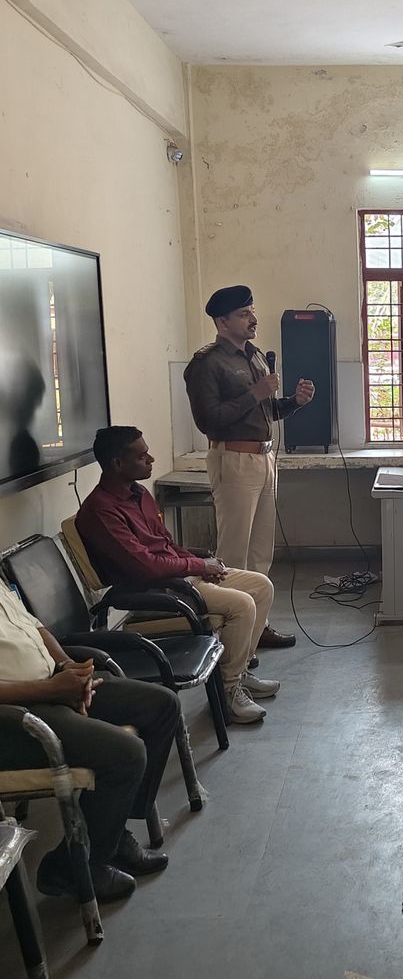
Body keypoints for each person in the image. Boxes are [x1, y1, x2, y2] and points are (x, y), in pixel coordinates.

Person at [76, 427, 279, 725]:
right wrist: (197, 568)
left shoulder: (139, 493)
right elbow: (144, 566)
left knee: (261, 586)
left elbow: (165, 545)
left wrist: (200, 560)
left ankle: (238, 672)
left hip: (177, 577)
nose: (151, 458)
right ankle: (227, 690)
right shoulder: (100, 511)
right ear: (118, 463)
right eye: (142, 455)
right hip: (154, 590)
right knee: (242, 604)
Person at [0, 579, 180, 901]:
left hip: (51, 684)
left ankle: (112, 833)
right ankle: (75, 869)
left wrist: (69, 669)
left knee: (162, 706)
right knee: (126, 753)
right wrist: (52, 690)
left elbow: (36, 629)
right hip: (14, 717)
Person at [184, 285, 315, 651]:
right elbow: (209, 421)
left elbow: (267, 411)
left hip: (264, 458)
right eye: (244, 314)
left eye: (252, 311)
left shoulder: (254, 355)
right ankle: (230, 635)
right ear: (222, 321)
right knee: (234, 554)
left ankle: (256, 627)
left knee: (261, 553)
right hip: (234, 460)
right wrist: (255, 394)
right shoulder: (207, 364)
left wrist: (294, 403)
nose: (253, 319)